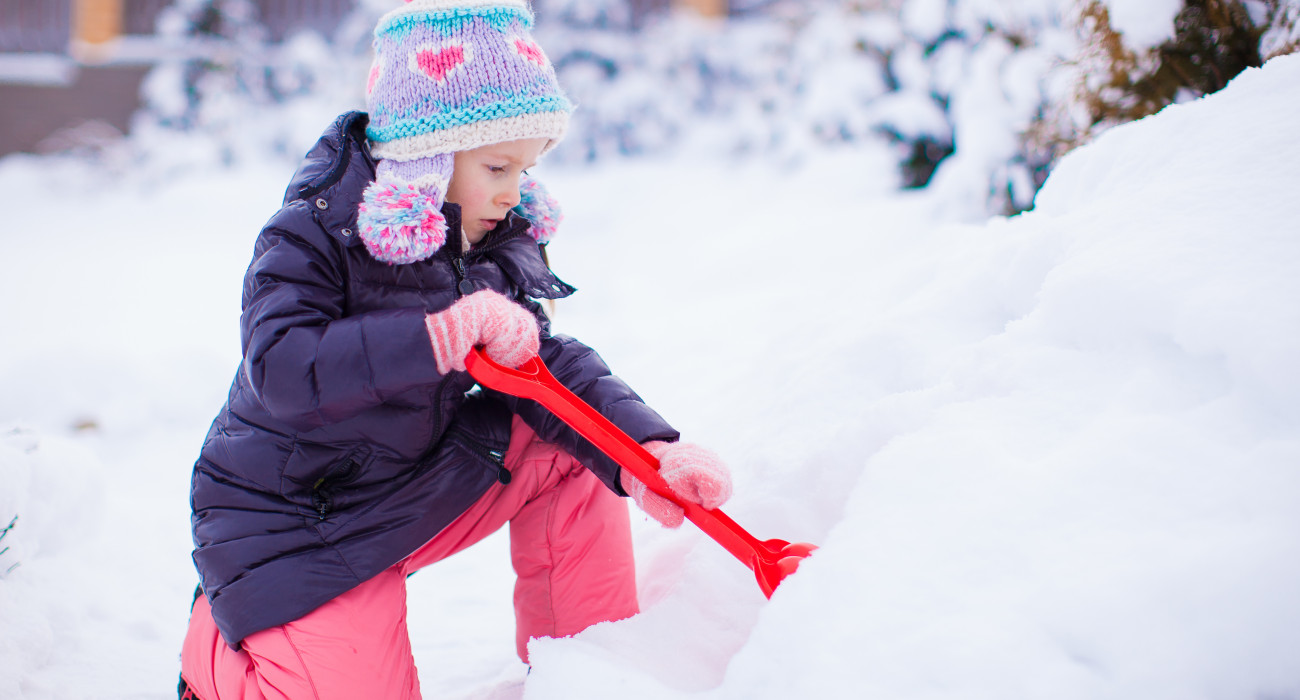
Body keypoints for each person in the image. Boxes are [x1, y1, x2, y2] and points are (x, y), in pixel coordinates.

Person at [176, 1, 733, 698]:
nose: (515, 192)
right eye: (499, 166)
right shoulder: (313, 233)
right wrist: (435, 337)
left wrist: (649, 452)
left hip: (406, 486)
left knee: (576, 444)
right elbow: (282, 369)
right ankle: (220, 648)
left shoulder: (490, 233)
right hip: (299, 523)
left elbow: (543, 371)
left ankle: (590, 668)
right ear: (427, 155)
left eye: (527, 169)